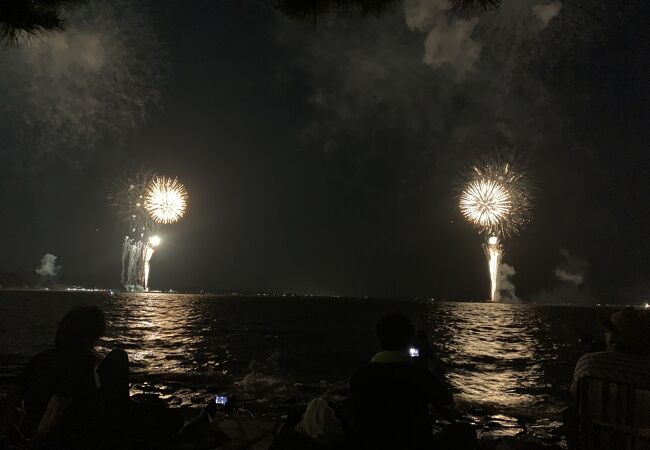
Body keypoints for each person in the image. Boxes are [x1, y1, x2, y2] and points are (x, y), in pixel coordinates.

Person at [349, 312, 454, 449]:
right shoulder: (418, 376)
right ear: (409, 339)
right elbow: (447, 401)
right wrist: (431, 360)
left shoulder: (359, 376)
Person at [565, 307, 650, 449]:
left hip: (598, 443)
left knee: (572, 412)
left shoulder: (588, 362)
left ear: (612, 339)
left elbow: (575, 394)